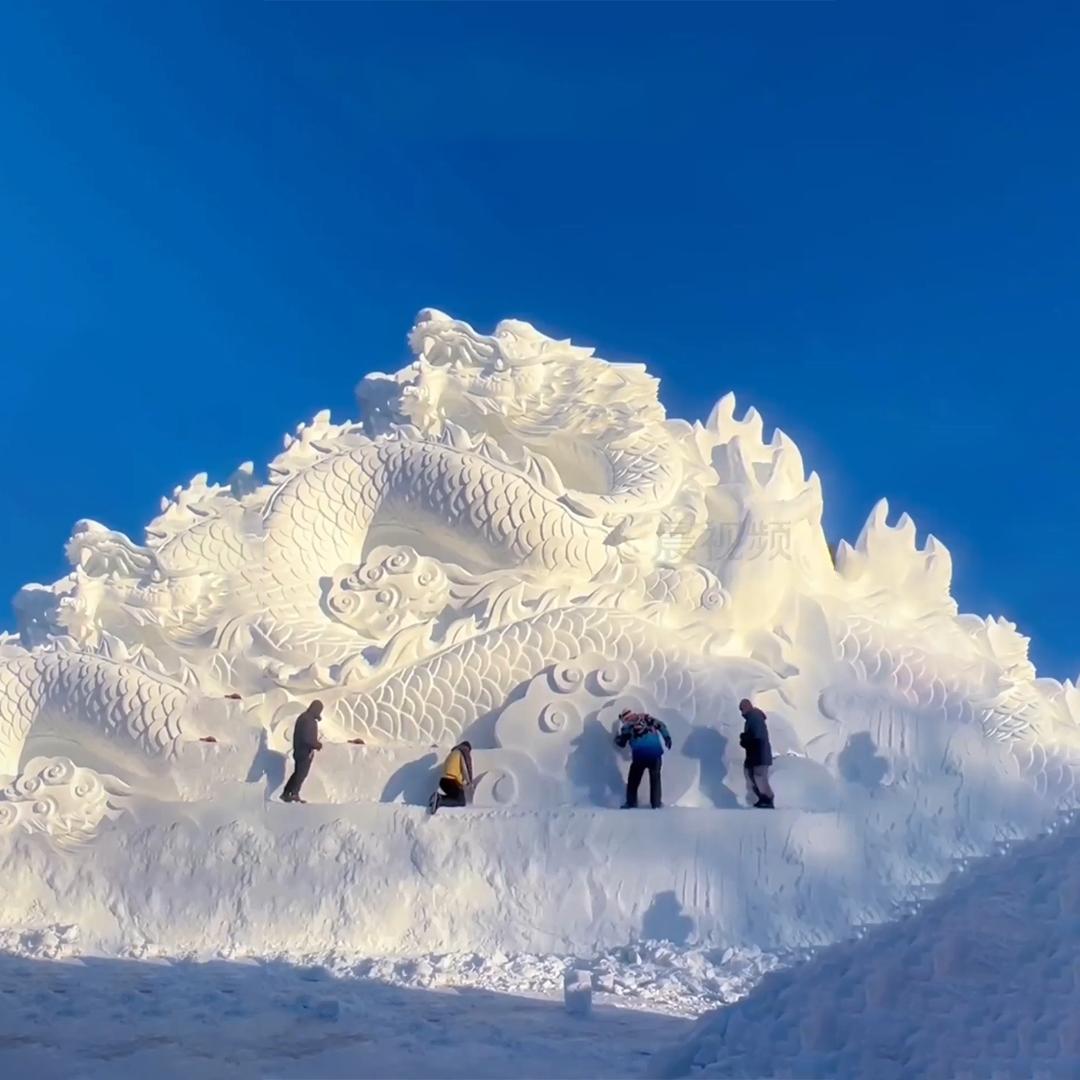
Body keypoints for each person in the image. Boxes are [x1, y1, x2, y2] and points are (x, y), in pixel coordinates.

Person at [614, 709, 672, 809]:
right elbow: (661, 726)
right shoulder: (648, 719)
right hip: (654, 755)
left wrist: (616, 738)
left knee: (634, 781)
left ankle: (632, 803)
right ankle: (656, 804)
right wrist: (667, 738)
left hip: (641, 758)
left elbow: (622, 743)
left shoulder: (627, 727)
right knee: (654, 780)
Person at [280, 700, 323, 804]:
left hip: (301, 750)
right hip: (304, 751)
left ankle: (287, 793)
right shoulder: (308, 720)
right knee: (301, 773)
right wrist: (316, 744)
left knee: (298, 773)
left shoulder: (306, 717)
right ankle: (293, 793)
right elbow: (306, 737)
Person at [738, 698, 774, 808]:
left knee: (759, 776)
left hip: (759, 752)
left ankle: (767, 799)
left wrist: (745, 738)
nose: (741, 712)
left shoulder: (754, 717)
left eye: (742, 709)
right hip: (756, 752)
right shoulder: (753, 717)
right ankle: (763, 798)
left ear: (747, 707)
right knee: (751, 774)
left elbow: (757, 736)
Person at [428, 741, 474, 814]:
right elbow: (467, 767)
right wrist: (469, 782)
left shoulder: (453, 753)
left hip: (443, 781)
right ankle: (440, 799)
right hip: (452, 780)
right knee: (461, 801)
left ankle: (437, 799)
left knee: (453, 797)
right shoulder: (464, 751)